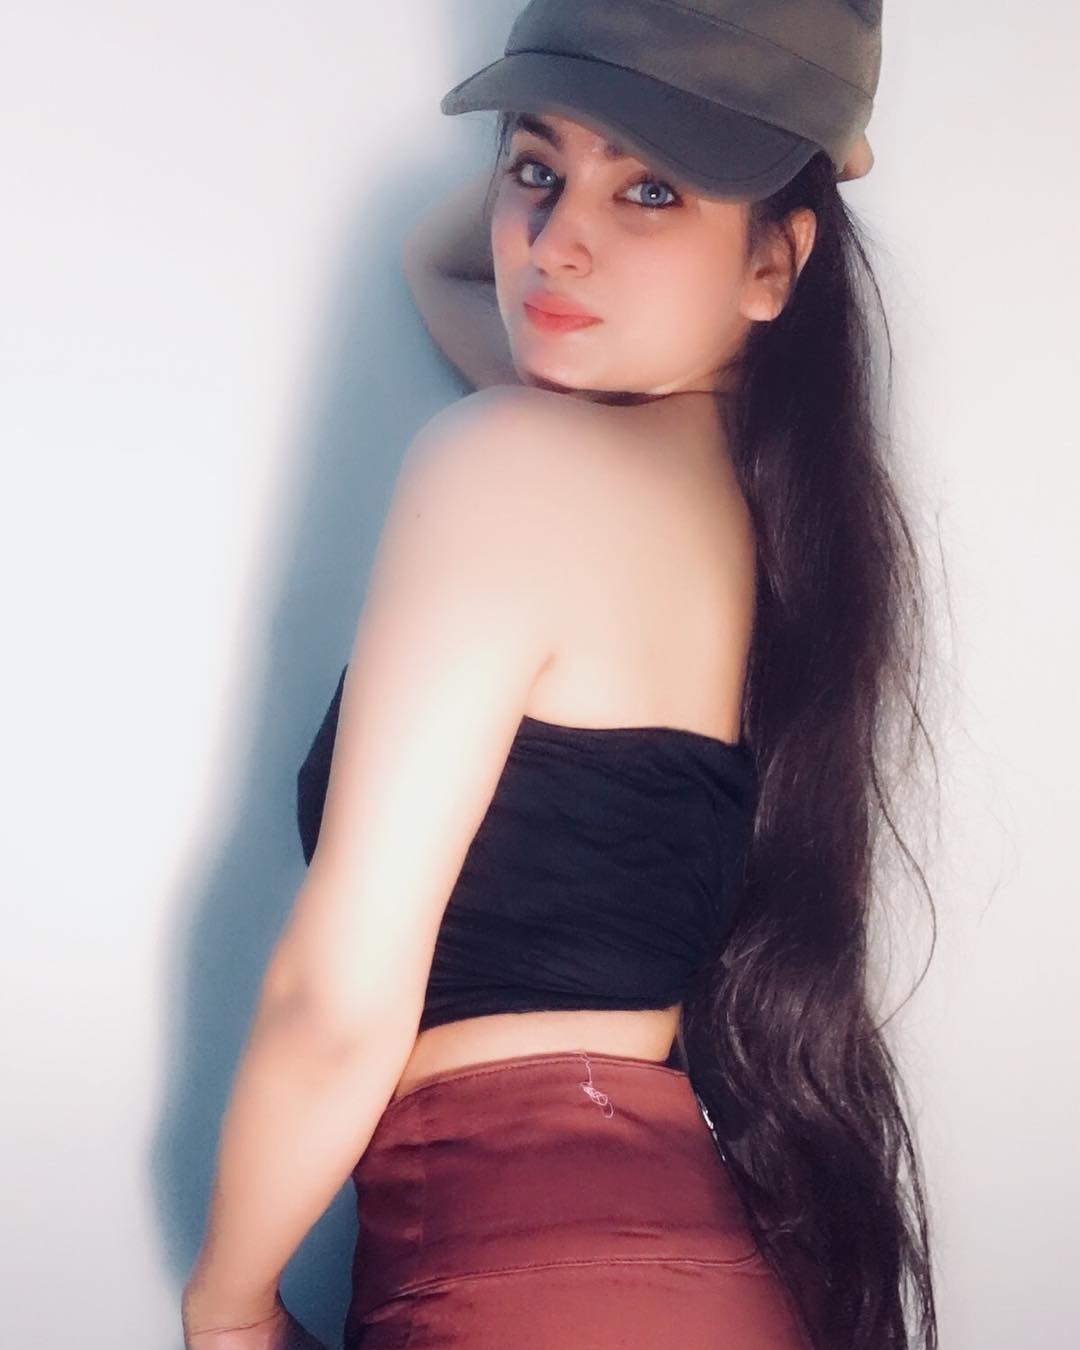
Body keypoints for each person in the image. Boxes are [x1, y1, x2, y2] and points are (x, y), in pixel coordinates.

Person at [182, 2, 940, 1347]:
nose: (556, 241)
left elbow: (337, 1001)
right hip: (676, 1272)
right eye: (534, 168)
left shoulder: (512, 466)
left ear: (776, 260)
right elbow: (456, 273)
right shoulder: (748, 509)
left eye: (652, 189)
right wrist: (715, 137)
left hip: (523, 1283)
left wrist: (230, 1307)